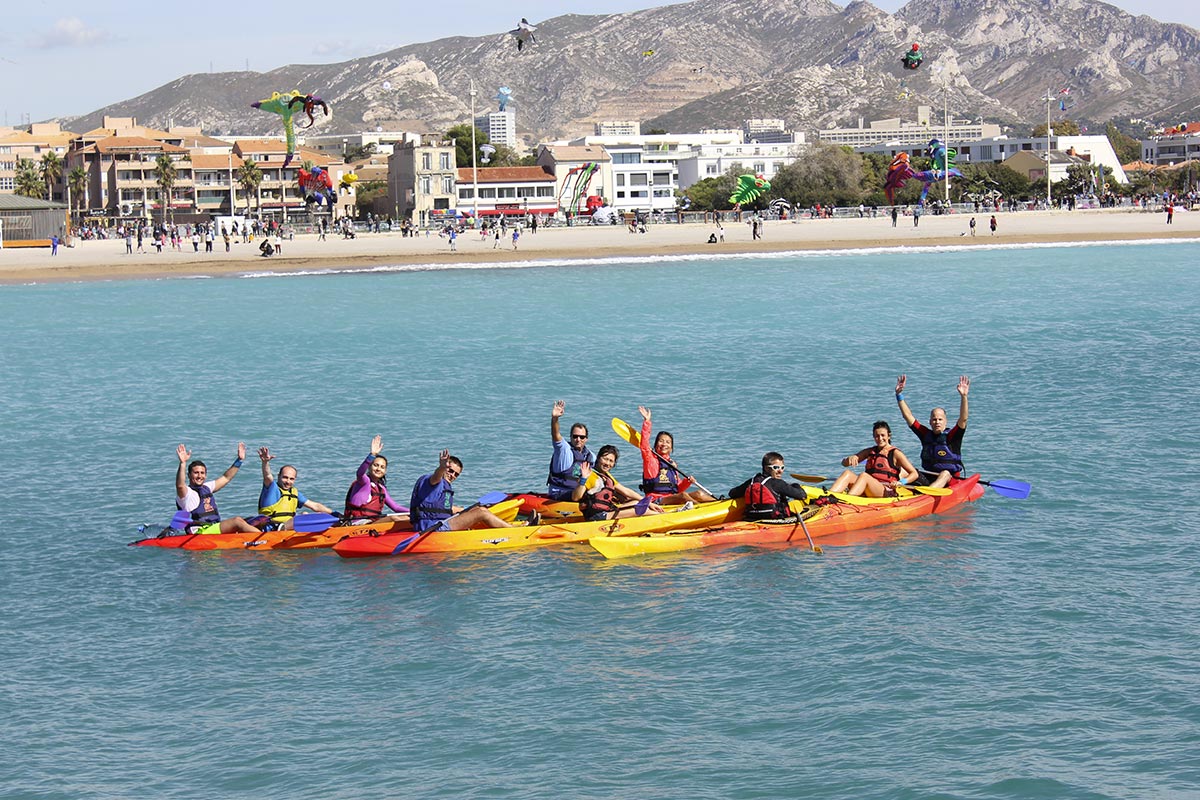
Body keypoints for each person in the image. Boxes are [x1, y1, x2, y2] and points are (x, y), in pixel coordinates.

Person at [410, 449, 535, 531]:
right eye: (450, 470)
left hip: (435, 524)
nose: (452, 475)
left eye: (456, 474)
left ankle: (506, 525)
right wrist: (442, 467)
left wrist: (467, 511)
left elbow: (443, 508)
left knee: (477, 510)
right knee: (481, 513)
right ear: (445, 468)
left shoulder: (444, 486)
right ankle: (514, 530)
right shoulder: (432, 481)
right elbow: (436, 477)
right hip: (431, 528)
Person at [895, 374, 969, 488]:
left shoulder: (952, 436)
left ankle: (927, 495)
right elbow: (908, 416)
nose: (937, 422)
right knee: (901, 469)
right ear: (930, 422)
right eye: (934, 419)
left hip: (950, 480)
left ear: (945, 422)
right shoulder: (925, 435)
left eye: (940, 419)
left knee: (945, 473)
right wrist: (899, 395)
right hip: (929, 476)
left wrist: (964, 397)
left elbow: (963, 419)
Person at [635, 405, 716, 505]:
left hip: (673, 497)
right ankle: (701, 510)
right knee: (683, 496)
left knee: (700, 494)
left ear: (671, 448)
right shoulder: (650, 460)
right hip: (655, 500)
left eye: (668, 442)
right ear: (655, 445)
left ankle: (721, 504)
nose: (664, 444)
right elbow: (644, 445)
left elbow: (677, 488)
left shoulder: (672, 464)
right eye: (661, 441)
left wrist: (687, 482)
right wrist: (647, 422)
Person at [175, 442, 260, 534]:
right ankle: (265, 538)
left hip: (213, 527)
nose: (199, 476)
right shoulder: (186, 494)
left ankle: (263, 535)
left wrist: (239, 460)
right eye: (196, 473)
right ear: (189, 475)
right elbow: (180, 486)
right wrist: (182, 463)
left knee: (254, 520)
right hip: (199, 531)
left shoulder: (207, 487)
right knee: (237, 521)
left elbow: (226, 477)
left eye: (202, 473)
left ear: (206, 475)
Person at [828, 421, 920, 498]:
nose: (880, 439)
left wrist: (901, 482)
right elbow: (844, 464)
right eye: (877, 436)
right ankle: (828, 496)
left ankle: (847, 500)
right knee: (847, 473)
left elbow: (914, 474)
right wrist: (849, 459)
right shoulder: (870, 451)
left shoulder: (896, 453)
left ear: (889, 436)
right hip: (868, 488)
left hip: (886, 491)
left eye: (883, 435)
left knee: (864, 476)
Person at [572, 445, 663, 521]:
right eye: (605, 459)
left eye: (611, 461)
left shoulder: (606, 476)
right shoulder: (590, 476)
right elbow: (575, 497)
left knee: (636, 503)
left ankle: (657, 514)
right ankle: (663, 518)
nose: (607, 463)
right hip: (597, 517)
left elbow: (626, 491)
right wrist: (583, 479)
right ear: (598, 458)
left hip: (607, 511)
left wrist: (648, 502)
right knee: (637, 511)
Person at [256, 447, 335, 530]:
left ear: (295, 480)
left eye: (291, 479)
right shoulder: (272, 488)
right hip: (272, 529)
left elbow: (315, 506)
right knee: (302, 516)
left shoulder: (294, 493)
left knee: (307, 514)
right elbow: (267, 476)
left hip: (289, 529)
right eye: (285, 477)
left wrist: (334, 513)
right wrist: (265, 462)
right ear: (279, 476)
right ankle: (282, 528)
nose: (288, 481)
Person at [729, 452, 812, 521]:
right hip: (773, 518)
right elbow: (802, 495)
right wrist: (796, 485)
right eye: (776, 467)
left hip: (751, 517)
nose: (780, 471)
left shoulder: (751, 481)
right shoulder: (777, 483)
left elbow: (732, 493)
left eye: (782, 468)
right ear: (766, 468)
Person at [344, 435, 408, 523]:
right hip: (357, 524)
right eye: (375, 465)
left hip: (372, 523)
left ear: (385, 471)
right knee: (394, 519)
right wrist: (372, 455)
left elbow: (396, 507)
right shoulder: (364, 481)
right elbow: (359, 473)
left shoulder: (381, 489)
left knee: (407, 518)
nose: (378, 469)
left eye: (382, 467)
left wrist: (417, 511)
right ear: (370, 467)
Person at [547, 400, 594, 500]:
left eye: (582, 437)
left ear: (586, 439)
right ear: (571, 437)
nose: (578, 439)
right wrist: (555, 418)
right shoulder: (564, 450)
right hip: (559, 492)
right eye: (575, 436)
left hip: (578, 491)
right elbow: (556, 435)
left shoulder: (590, 456)